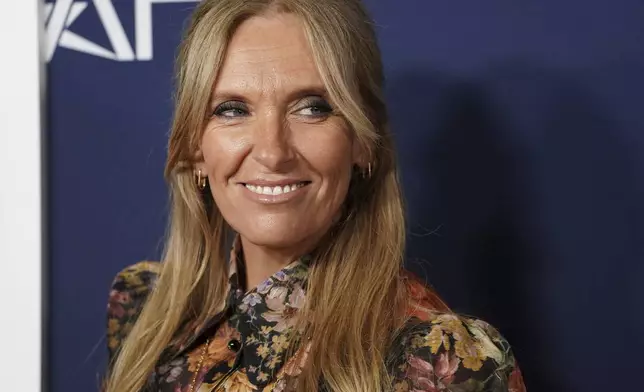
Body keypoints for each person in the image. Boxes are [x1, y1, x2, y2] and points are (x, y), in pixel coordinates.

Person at [103, 0, 526, 391]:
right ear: (195, 149)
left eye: (311, 107)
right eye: (232, 109)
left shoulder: (441, 361)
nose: (272, 152)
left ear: (364, 141)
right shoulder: (145, 309)